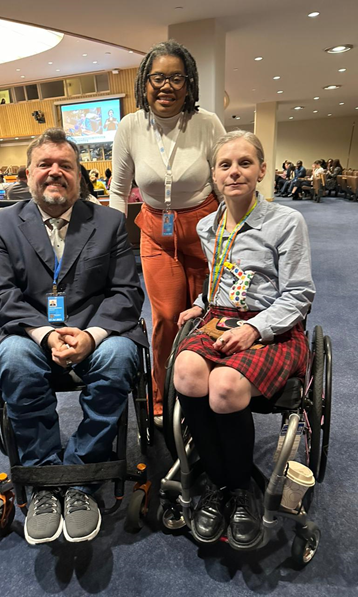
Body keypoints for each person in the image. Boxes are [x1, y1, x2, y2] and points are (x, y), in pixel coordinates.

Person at [0, 127, 145, 546]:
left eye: (65, 165)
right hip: (30, 334)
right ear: (29, 172)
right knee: (14, 359)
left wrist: (90, 336)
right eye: (45, 164)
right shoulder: (0, 224)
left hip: (97, 331)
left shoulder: (109, 222)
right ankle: (45, 481)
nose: (55, 172)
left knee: (120, 357)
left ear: (79, 175)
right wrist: (43, 335)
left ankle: (79, 480)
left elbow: (127, 292)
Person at [172, 130, 315, 549]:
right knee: (186, 374)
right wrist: (201, 302)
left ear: (262, 171)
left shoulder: (287, 222)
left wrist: (254, 328)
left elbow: (299, 294)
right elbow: (221, 278)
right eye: (225, 165)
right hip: (219, 317)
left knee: (225, 387)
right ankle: (221, 483)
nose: (234, 171)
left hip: (273, 325)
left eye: (244, 163)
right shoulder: (206, 225)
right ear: (214, 176)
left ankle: (237, 492)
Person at [110, 40, 225, 423]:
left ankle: (205, 387)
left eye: (177, 78)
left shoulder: (207, 123)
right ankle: (162, 396)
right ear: (144, 83)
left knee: (211, 314)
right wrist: (109, 242)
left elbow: (223, 182)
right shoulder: (130, 126)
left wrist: (234, 234)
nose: (167, 86)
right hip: (156, 233)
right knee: (167, 317)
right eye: (158, 77)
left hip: (206, 229)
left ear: (189, 84)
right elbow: (118, 188)